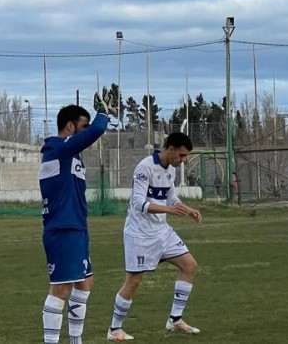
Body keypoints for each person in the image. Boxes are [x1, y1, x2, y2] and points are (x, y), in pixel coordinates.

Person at [107, 132, 203, 341]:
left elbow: (171, 197)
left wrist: (187, 210)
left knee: (190, 266)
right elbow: (138, 204)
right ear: (170, 149)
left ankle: (175, 320)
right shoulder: (144, 167)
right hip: (139, 234)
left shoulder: (171, 171)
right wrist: (169, 210)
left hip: (162, 232)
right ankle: (114, 329)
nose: (183, 160)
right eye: (182, 155)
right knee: (133, 281)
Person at [39, 88, 115, 344]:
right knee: (61, 288)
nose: (87, 133)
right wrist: (102, 114)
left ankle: (75, 340)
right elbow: (97, 131)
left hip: (76, 227)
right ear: (70, 127)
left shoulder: (68, 155)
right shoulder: (57, 149)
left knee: (85, 283)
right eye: (83, 127)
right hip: (63, 228)